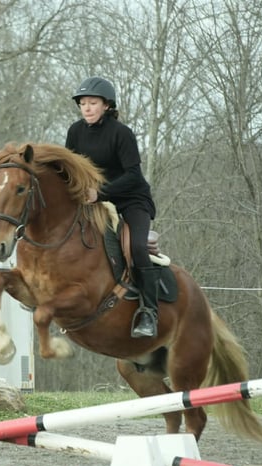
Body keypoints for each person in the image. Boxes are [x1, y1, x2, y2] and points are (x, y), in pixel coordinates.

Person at [65, 76, 159, 338]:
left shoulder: (121, 133)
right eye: (83, 103)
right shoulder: (75, 132)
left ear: (106, 105)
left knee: (136, 247)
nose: (86, 108)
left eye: (92, 103)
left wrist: (101, 193)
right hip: (93, 200)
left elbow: (133, 175)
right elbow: (69, 170)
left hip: (131, 199)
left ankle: (149, 313)